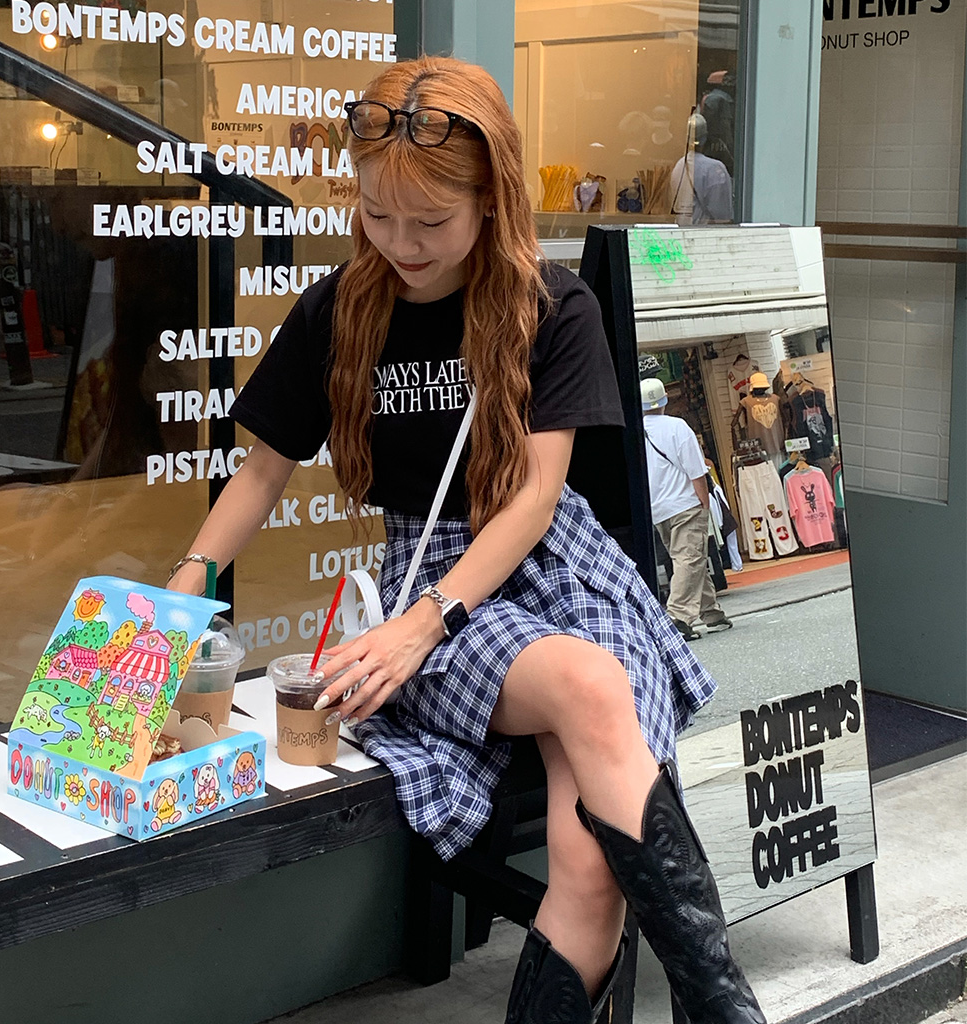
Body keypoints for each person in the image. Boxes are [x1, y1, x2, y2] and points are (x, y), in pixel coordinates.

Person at [169, 56, 764, 1024]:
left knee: (587, 863)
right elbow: (264, 470)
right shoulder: (339, 309)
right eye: (376, 214)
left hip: (560, 568)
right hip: (432, 566)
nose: (400, 243)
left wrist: (424, 626)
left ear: (493, 198)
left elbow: (536, 497)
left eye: (431, 221)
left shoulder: (550, 304)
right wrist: (190, 576)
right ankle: (726, 1007)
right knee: (592, 686)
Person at [641, 377, 734, 642]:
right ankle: (677, 617)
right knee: (689, 558)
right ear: (664, 401)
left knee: (688, 558)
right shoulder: (677, 427)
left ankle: (711, 613)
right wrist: (704, 504)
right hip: (685, 503)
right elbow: (696, 470)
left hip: (657, 508)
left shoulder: (635, 432)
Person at [670, 112, 734, 225]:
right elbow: (722, 216)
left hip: (680, 230)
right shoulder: (715, 169)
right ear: (706, 137)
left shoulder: (679, 166)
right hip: (703, 232)